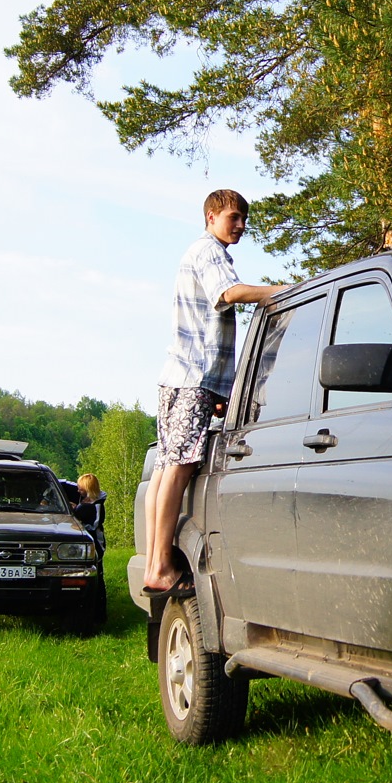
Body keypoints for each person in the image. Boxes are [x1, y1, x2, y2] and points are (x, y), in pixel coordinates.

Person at [143, 188, 289, 592]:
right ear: (211, 217)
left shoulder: (199, 251)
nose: (241, 225)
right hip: (194, 377)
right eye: (233, 218)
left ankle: (157, 561)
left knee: (164, 467)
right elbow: (229, 294)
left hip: (178, 374)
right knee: (179, 466)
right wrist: (282, 292)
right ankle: (160, 566)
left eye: (244, 218)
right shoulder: (209, 252)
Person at [70, 472, 106, 551]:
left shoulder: (97, 506)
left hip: (95, 542)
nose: (78, 491)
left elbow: (94, 526)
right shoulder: (83, 500)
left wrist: (79, 525)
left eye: (81, 489)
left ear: (88, 489)